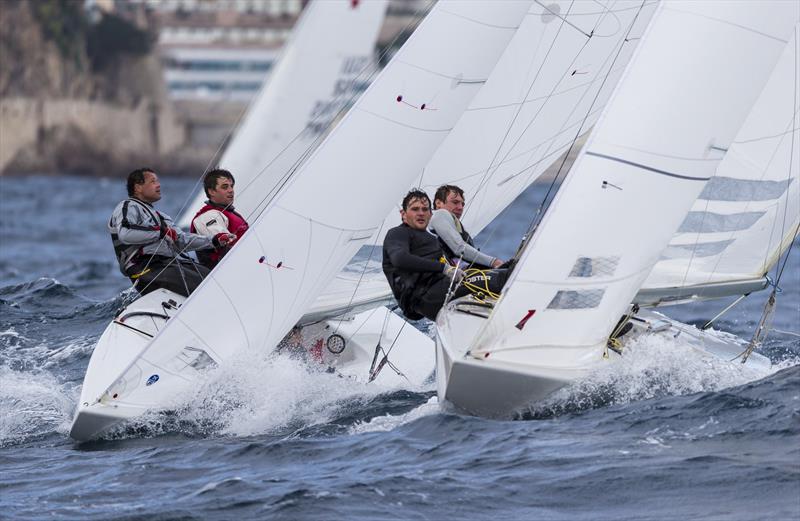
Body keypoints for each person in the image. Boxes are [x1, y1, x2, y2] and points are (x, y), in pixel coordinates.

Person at [108, 168, 234, 297]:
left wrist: (214, 240)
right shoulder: (128, 206)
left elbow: (181, 240)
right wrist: (161, 232)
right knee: (207, 288)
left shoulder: (161, 217)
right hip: (145, 269)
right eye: (153, 181)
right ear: (138, 187)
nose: (158, 184)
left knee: (215, 279)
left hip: (168, 265)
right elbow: (126, 233)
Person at [428, 184, 504, 269]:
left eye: (462, 204)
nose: (460, 207)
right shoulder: (440, 214)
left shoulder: (455, 225)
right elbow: (459, 248)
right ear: (438, 203)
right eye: (455, 202)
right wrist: (493, 262)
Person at [190, 169, 249, 269]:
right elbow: (224, 244)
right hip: (227, 273)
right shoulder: (208, 216)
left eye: (231, 186)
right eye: (225, 187)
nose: (231, 190)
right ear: (212, 191)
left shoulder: (228, 213)